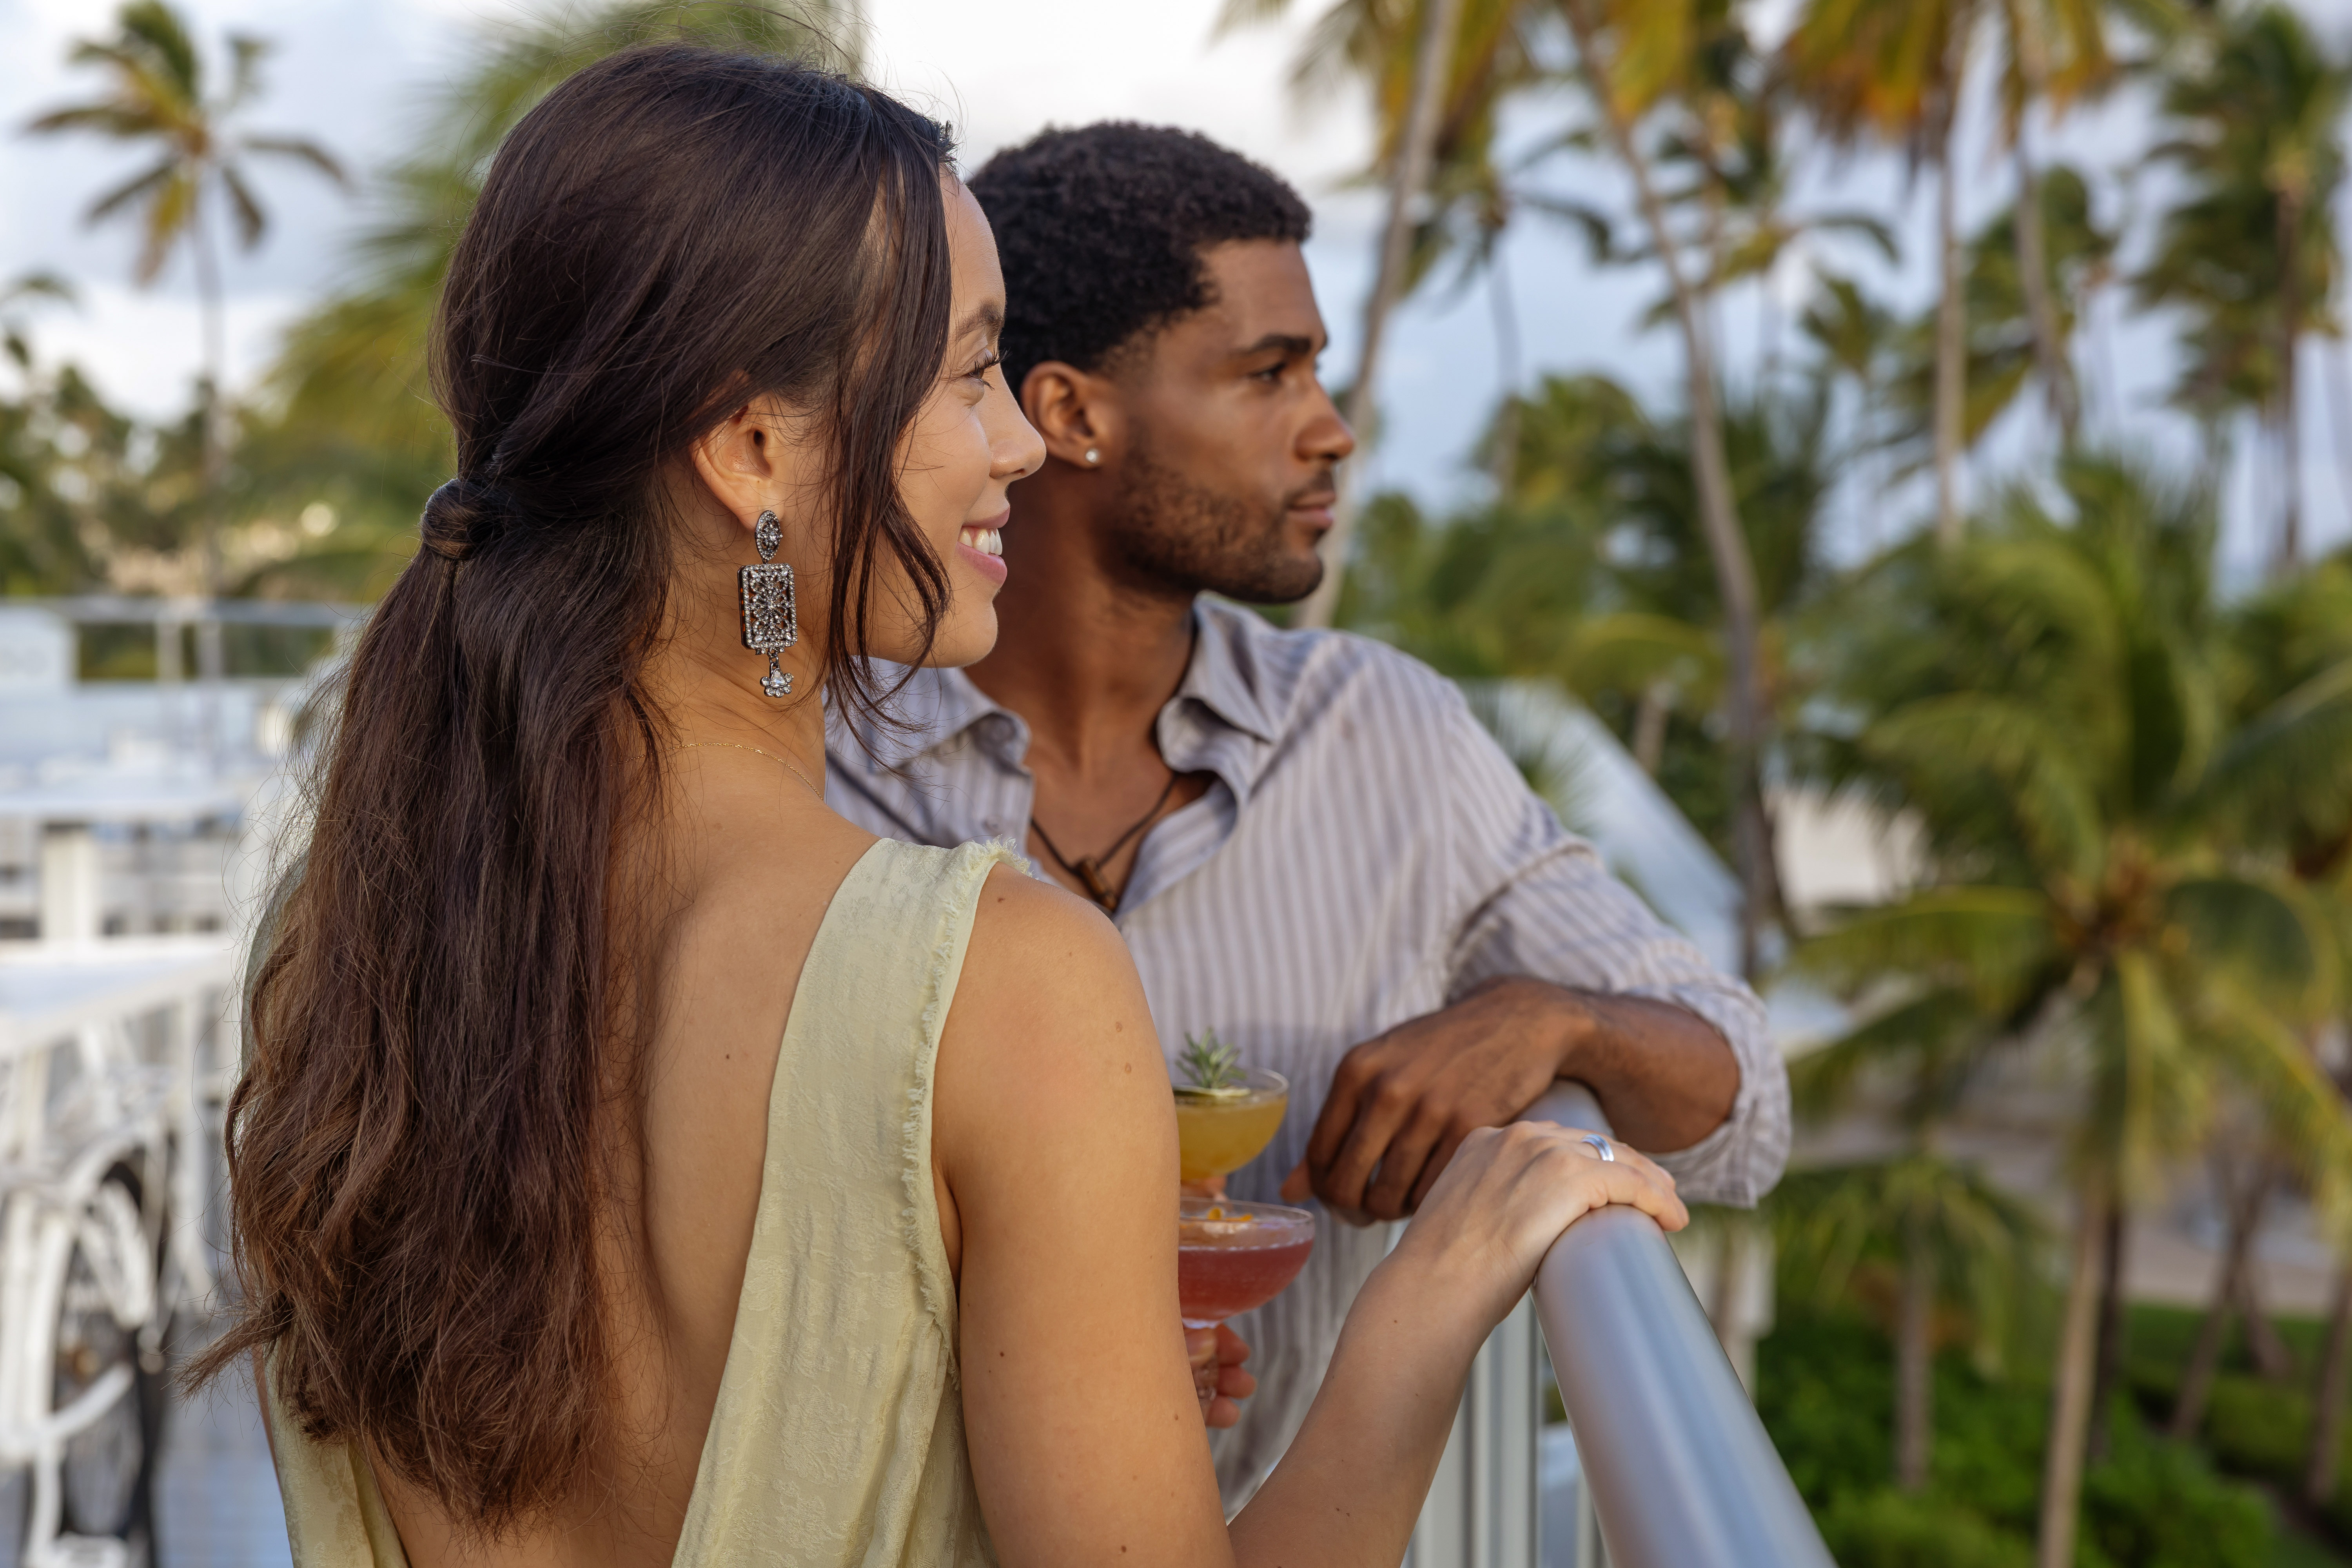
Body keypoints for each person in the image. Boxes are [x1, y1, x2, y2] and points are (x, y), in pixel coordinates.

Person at [196, 45, 1688, 1568]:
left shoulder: (350, 942)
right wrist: (1429, 1299)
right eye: (972, 370)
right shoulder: (991, 983)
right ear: (755, 447)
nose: (1021, 444)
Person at [825, 121, 1791, 1501]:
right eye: (1269, 373)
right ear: (1070, 416)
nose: (1332, 428)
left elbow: (1743, 1102)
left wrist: (1551, 1020)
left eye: (1319, 369)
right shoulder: (816, 748)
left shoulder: (1387, 736)